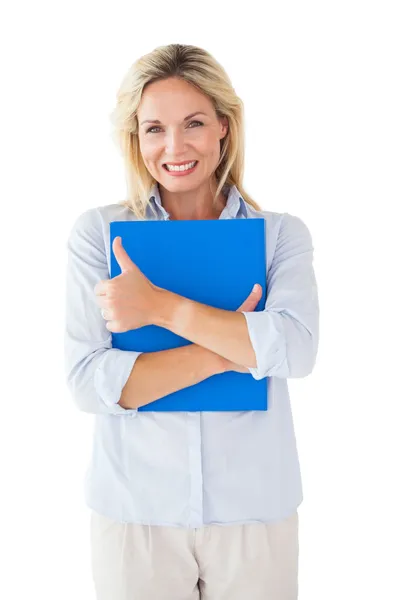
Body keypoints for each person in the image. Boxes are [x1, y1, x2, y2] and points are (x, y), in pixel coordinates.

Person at [64, 43, 319, 600]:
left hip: (255, 511)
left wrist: (160, 308)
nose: (174, 147)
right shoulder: (99, 234)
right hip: (136, 512)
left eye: (194, 124)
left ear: (224, 127)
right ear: (135, 136)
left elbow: (295, 351)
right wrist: (232, 349)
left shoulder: (280, 235)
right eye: (154, 128)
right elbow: (90, 383)